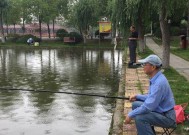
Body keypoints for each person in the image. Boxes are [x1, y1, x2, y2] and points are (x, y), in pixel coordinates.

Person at [125, 54, 176, 135]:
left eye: (145, 64)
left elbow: (149, 106)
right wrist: (137, 96)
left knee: (140, 118)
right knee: (136, 104)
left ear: (153, 67)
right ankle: (146, 131)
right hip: (161, 110)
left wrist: (130, 115)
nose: (143, 66)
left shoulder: (158, 83)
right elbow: (151, 97)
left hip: (168, 117)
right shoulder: (157, 78)